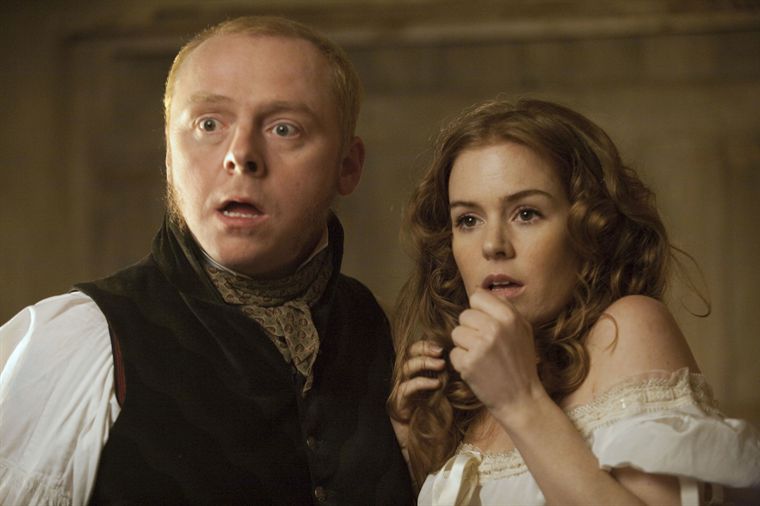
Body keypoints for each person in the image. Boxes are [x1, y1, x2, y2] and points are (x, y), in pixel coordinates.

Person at [0, 16, 413, 505]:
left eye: (284, 129)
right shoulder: (79, 343)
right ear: (169, 154)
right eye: (209, 124)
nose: (241, 155)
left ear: (348, 166)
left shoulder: (389, 336)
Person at [388, 98, 760, 505]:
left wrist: (519, 401)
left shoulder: (627, 328)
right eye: (468, 220)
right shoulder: (466, 387)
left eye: (526, 213)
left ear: (590, 226)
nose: (492, 245)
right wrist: (409, 453)